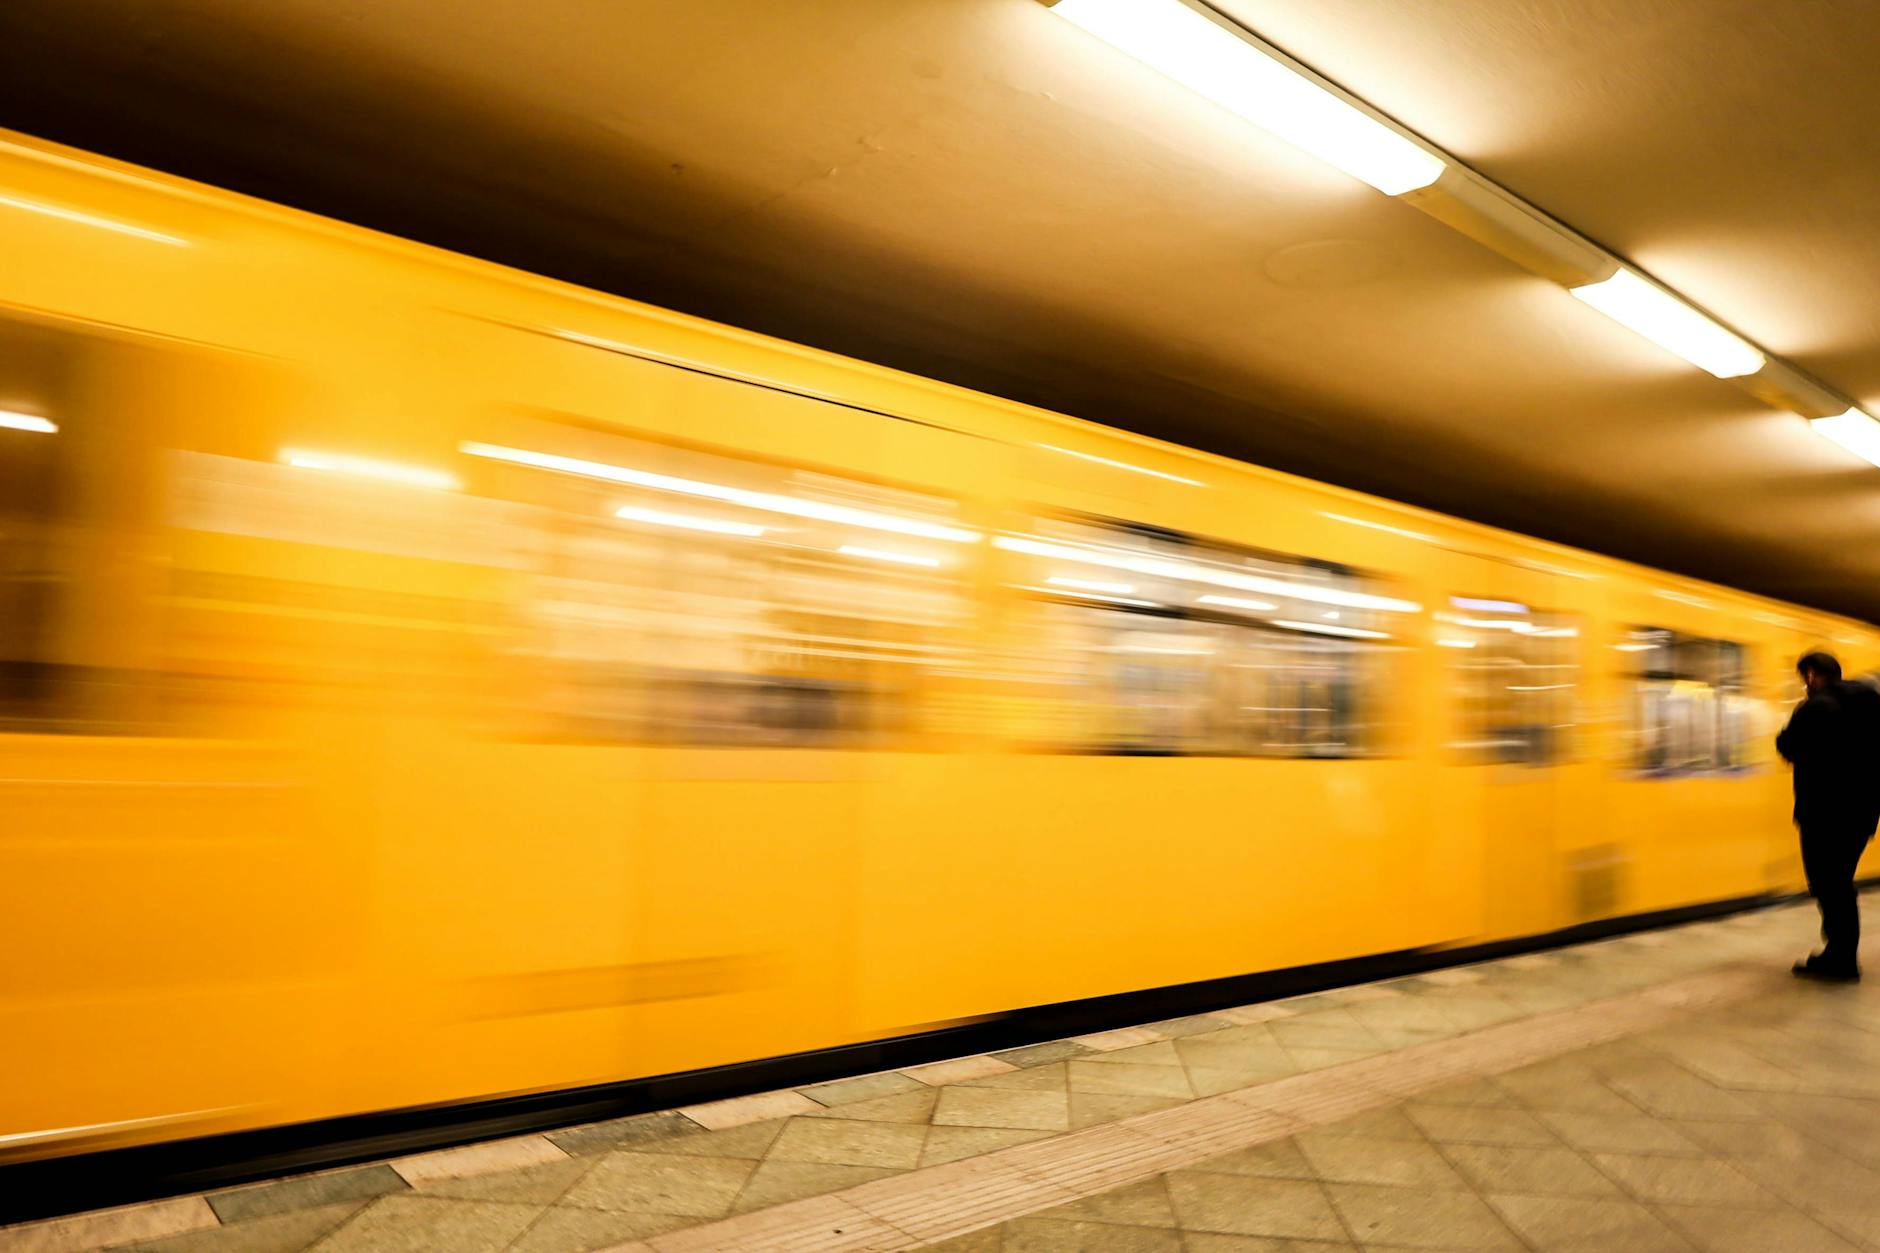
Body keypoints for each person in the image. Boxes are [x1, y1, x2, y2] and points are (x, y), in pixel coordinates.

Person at [1775, 652, 1879, 980]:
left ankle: (1841, 958)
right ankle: (1840, 953)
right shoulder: (1871, 704)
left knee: (1828, 884)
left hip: (1824, 813)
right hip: (1862, 813)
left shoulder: (1817, 707)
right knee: (1840, 882)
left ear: (1810, 675)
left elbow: (1788, 746)